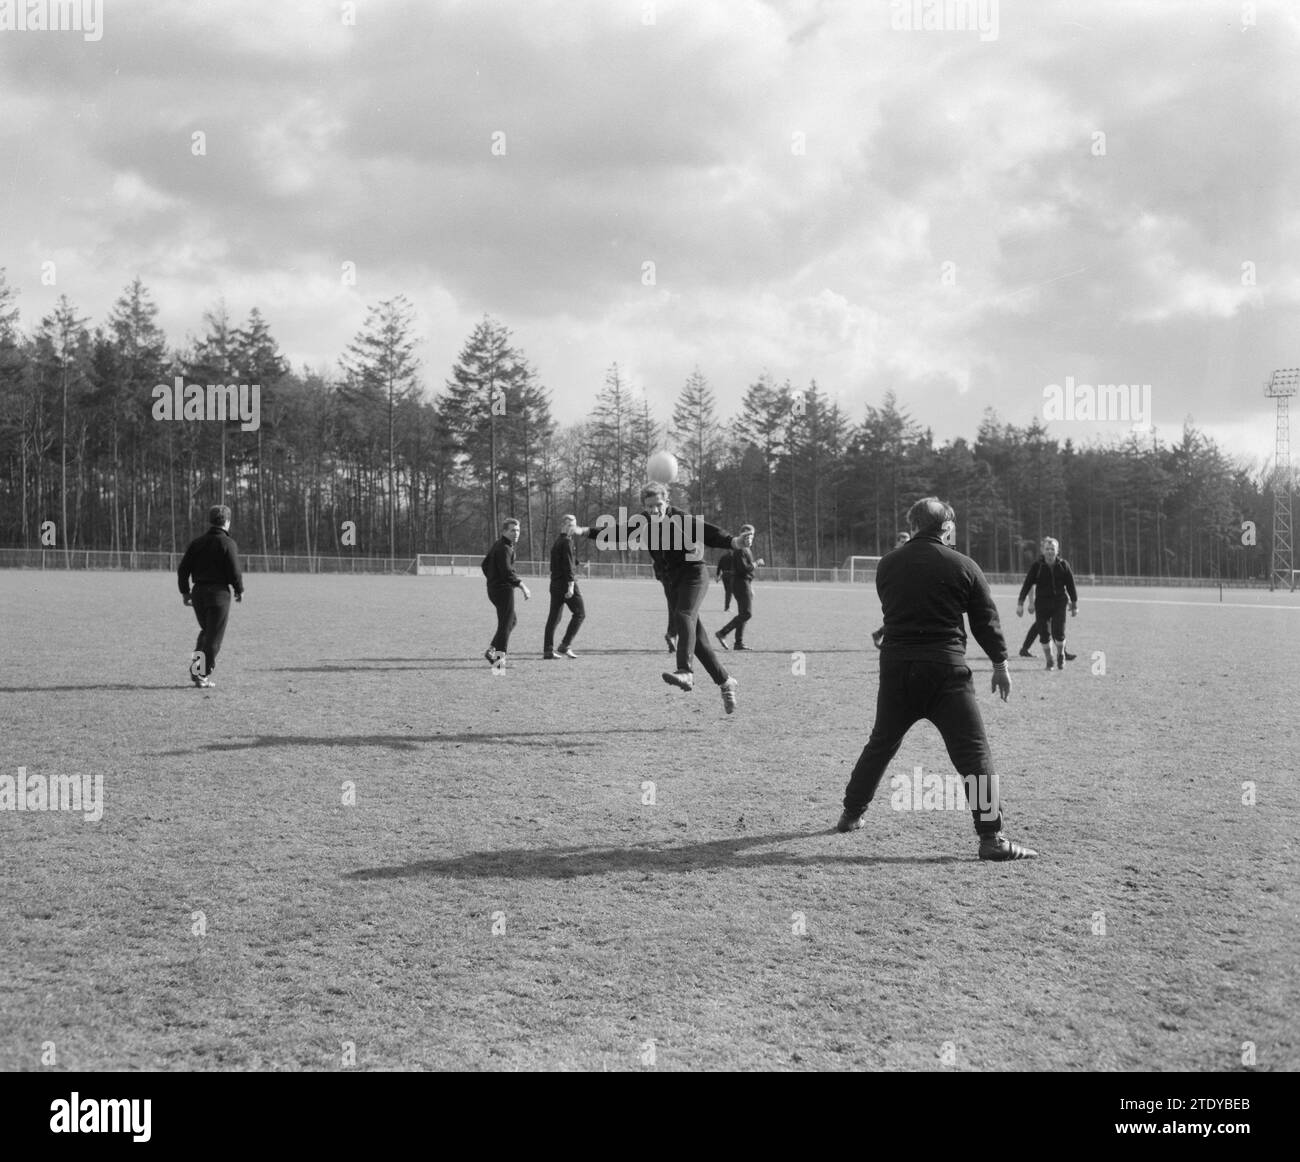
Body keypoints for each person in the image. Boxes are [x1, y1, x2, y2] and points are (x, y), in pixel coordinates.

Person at [837, 497, 1038, 861]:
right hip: (946, 671)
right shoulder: (964, 565)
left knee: (881, 743)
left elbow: (897, 608)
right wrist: (1000, 664)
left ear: (913, 526)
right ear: (946, 527)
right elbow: (985, 621)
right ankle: (991, 838)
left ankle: (851, 814)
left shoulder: (888, 565)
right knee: (973, 754)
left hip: (897, 668)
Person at [575, 481, 745, 714]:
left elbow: (708, 532)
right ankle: (726, 682)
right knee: (698, 641)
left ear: (667, 502)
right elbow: (617, 532)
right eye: (649, 506)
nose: (654, 510)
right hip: (672, 581)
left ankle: (685, 671)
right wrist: (584, 531)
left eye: (658, 505)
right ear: (644, 507)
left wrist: (733, 542)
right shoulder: (643, 522)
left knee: (683, 616)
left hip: (693, 574)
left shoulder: (680, 519)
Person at [177, 504, 244, 688]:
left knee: (206, 633)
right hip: (219, 594)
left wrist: (185, 591)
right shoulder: (228, 543)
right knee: (214, 638)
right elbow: (234, 570)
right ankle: (201, 674)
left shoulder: (197, 543)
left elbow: (183, 569)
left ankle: (198, 671)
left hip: (198, 592)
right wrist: (239, 589)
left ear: (210, 520)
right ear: (227, 522)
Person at [1016, 537, 1078, 670]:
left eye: (1052, 549)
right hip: (1042, 604)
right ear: (1043, 551)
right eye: (1047, 549)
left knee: (1058, 632)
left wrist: (1074, 604)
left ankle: (1061, 654)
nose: (1050, 551)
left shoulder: (1063, 565)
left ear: (1057, 551)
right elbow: (1027, 585)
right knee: (1044, 634)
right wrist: (1020, 603)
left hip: (1059, 603)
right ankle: (1049, 660)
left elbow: (1071, 586)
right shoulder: (1037, 566)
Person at [482, 518, 530, 666]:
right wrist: (522, 585)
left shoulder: (501, 545)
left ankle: (492, 650)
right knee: (505, 625)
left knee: (511, 621)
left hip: (496, 589)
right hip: (503, 590)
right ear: (504, 531)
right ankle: (498, 664)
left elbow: (484, 565)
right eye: (512, 530)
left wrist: (492, 580)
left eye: (518, 530)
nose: (516, 533)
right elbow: (507, 573)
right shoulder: (504, 548)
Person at [716, 525, 763, 651]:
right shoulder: (740, 550)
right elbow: (743, 569)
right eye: (747, 535)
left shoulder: (745, 549)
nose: (749, 538)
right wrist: (756, 563)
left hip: (743, 583)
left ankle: (738, 643)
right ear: (741, 535)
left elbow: (744, 571)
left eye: (751, 535)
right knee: (746, 614)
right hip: (740, 583)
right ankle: (722, 633)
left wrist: (750, 586)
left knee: (743, 613)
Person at [543, 515, 585, 659]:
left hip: (554, 583)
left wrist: (577, 562)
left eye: (574, 525)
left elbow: (565, 560)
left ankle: (548, 651)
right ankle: (565, 645)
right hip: (565, 583)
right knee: (580, 614)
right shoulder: (567, 541)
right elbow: (567, 565)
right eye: (569, 525)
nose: (572, 528)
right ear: (563, 526)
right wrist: (571, 586)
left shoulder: (558, 541)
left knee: (554, 618)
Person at [871, 531, 911, 648]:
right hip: (896, 591)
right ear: (897, 543)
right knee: (900, 617)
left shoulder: (908, 554)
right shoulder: (892, 556)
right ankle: (883, 637)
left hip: (906, 590)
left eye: (907, 542)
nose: (905, 544)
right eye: (903, 542)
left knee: (901, 617)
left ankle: (879, 634)